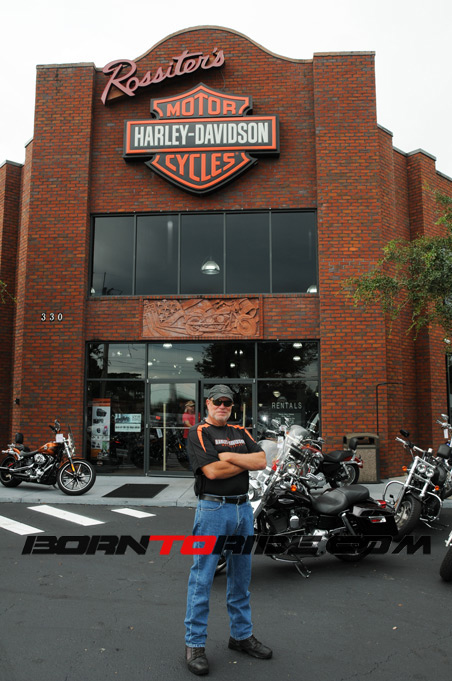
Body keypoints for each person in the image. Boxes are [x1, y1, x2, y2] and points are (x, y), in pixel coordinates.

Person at [184, 384, 272, 676]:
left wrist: (227, 457)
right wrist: (243, 462)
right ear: (208, 403)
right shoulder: (199, 432)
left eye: (228, 402)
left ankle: (241, 636)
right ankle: (195, 644)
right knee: (202, 579)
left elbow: (261, 461)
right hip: (213, 511)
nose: (223, 406)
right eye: (217, 401)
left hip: (243, 510)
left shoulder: (240, 431)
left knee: (241, 579)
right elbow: (211, 471)